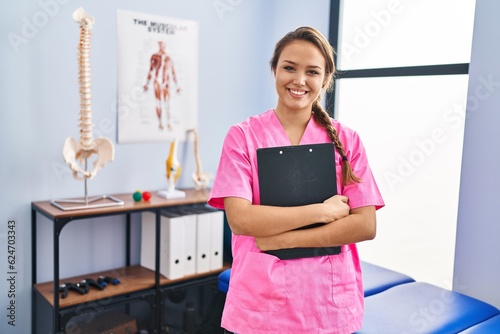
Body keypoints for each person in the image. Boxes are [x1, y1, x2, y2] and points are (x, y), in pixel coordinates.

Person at [208, 26, 384, 334]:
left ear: (325, 80)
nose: (299, 80)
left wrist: (282, 240)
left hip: (327, 303)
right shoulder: (243, 137)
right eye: (289, 67)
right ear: (274, 69)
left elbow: (364, 225)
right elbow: (241, 220)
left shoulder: (348, 140)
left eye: (312, 71)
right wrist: (323, 212)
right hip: (262, 303)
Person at [143, 40, 180, 130]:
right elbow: (151, 70)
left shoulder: (168, 57)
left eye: (163, 44)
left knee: (167, 103)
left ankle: (168, 123)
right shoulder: (155, 56)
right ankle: (160, 123)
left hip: (166, 82)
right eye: (160, 44)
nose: (161, 46)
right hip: (157, 82)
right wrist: (147, 84)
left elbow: (173, 71)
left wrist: (177, 86)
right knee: (158, 103)